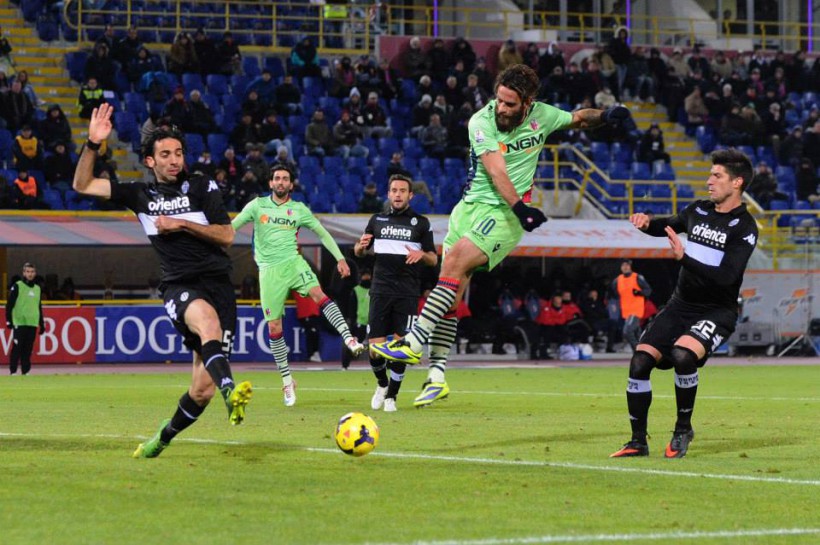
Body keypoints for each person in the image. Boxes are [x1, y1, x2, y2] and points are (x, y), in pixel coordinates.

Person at [371, 64, 630, 406]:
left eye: (510, 104)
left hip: (504, 216)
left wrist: (607, 114)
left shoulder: (543, 116)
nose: (502, 109)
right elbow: (495, 170)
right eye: (499, 100)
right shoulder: (481, 120)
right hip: (469, 209)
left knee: (456, 263)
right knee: (450, 290)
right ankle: (437, 376)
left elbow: (579, 118)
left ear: (528, 102)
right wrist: (523, 207)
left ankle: (413, 342)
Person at [72, 103, 253, 458]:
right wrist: (93, 144)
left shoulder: (202, 186)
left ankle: (163, 437)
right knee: (208, 324)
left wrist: (182, 223)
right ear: (150, 162)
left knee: (202, 391)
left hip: (219, 285)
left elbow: (227, 235)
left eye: (179, 153)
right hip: (180, 285)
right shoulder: (139, 195)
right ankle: (232, 388)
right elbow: (82, 184)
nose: (174, 160)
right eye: (165, 154)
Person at [610, 149, 757, 459]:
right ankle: (638, 441)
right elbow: (665, 225)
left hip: (717, 311)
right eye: (710, 175)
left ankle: (682, 430)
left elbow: (727, 278)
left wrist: (684, 258)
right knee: (639, 361)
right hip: (680, 305)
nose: (709, 181)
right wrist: (645, 222)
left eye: (717, 176)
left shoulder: (745, 228)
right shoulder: (697, 211)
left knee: (682, 355)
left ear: (737, 182)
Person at [231, 163, 366, 407]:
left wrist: (340, 259)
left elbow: (323, 234)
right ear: (270, 183)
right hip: (269, 272)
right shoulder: (256, 206)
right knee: (274, 328)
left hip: (294, 263)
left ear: (291, 184)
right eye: (277, 178)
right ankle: (286, 380)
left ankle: (349, 338)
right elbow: (230, 229)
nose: (281, 182)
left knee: (318, 293)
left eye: (285, 179)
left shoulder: (299, 209)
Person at [354, 174, 437, 411]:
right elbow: (360, 252)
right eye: (394, 190)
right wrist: (360, 246)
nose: (398, 194)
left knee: (401, 349)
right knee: (375, 348)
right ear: (388, 194)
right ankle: (381, 383)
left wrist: (423, 255)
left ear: (410, 195)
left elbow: (433, 259)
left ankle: (392, 396)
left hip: (408, 293)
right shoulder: (376, 220)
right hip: (380, 290)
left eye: (403, 190)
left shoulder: (421, 223)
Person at [5, 262, 44, 375]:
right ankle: (13, 372)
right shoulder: (17, 286)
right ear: (24, 273)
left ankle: (26, 371)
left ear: (35, 273)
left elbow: (39, 307)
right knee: (17, 347)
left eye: (32, 272)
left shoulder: (37, 288)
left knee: (28, 349)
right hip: (20, 321)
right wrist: (9, 320)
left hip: (32, 323)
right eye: (27, 272)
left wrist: (41, 323)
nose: (30, 274)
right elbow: (9, 304)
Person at [609, 259, 652, 351]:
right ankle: (645, 351)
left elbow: (648, 291)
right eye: (623, 265)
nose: (625, 267)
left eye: (627, 265)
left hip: (636, 310)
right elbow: (613, 294)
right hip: (626, 312)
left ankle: (637, 352)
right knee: (638, 334)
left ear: (630, 267)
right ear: (621, 268)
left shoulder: (637, 277)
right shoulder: (617, 280)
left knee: (627, 331)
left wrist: (639, 293)